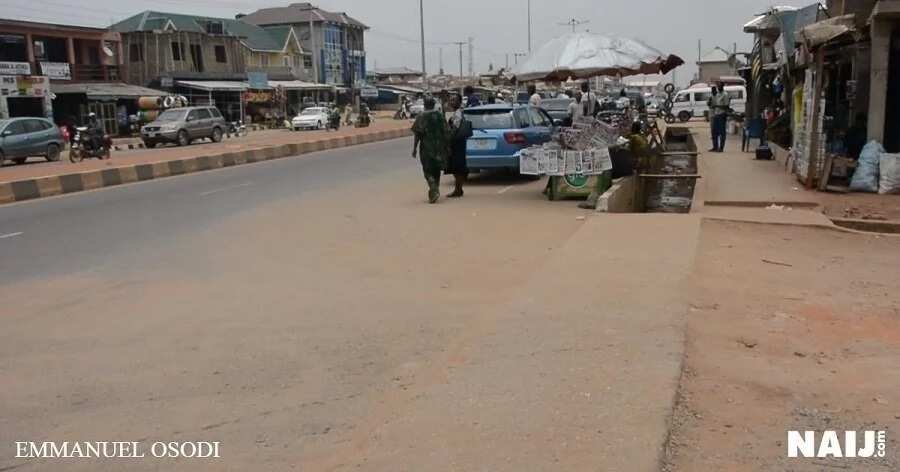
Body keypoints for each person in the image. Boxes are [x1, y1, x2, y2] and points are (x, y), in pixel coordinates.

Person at [411, 97, 449, 203]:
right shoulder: (439, 115)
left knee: (427, 170)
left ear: (425, 104)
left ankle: (433, 187)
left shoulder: (421, 116)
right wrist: (447, 146)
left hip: (427, 147)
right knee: (436, 169)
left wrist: (414, 148)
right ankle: (435, 189)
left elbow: (417, 134)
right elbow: (446, 132)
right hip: (439, 147)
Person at [446, 93, 470, 198]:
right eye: (451, 100)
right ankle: (458, 189)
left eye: (454, 100)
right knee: (456, 167)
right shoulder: (456, 113)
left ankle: (458, 190)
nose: (451, 102)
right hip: (458, 142)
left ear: (459, 102)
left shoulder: (458, 114)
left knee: (457, 167)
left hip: (457, 143)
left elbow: (454, 129)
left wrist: (448, 140)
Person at [708, 81, 731, 152]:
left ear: (722, 86)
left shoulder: (725, 94)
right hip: (716, 114)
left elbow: (727, 106)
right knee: (714, 132)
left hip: (722, 114)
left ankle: (721, 148)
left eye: (720, 86)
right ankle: (715, 147)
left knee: (722, 132)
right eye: (718, 86)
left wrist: (717, 106)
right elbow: (713, 103)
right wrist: (711, 103)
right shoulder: (717, 94)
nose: (718, 87)